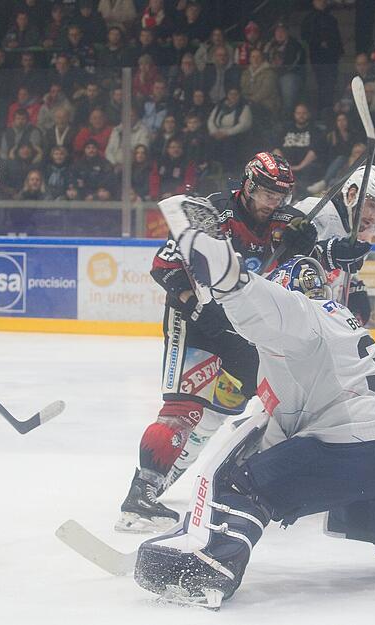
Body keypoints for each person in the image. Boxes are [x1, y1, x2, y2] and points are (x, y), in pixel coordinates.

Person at [133, 205, 375, 605]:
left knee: (244, 482)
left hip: (362, 452)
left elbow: (246, 294)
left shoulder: (296, 314)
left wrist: (206, 250)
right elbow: (293, 414)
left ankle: (205, 566)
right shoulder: (341, 316)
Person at [117, 153, 330, 532]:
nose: (273, 203)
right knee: (183, 408)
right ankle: (140, 495)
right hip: (195, 322)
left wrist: (305, 246)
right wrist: (198, 311)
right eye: (266, 194)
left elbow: (296, 274)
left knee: (241, 400)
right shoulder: (210, 213)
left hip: (243, 326)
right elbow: (164, 267)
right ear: (248, 185)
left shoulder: (284, 222)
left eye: (280, 196)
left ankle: (184, 469)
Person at [295, 165, 375, 325]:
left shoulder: (359, 230)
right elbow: (285, 260)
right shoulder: (317, 210)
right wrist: (323, 253)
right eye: (372, 206)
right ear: (352, 194)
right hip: (292, 314)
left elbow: (340, 271)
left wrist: (354, 286)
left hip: (319, 319)